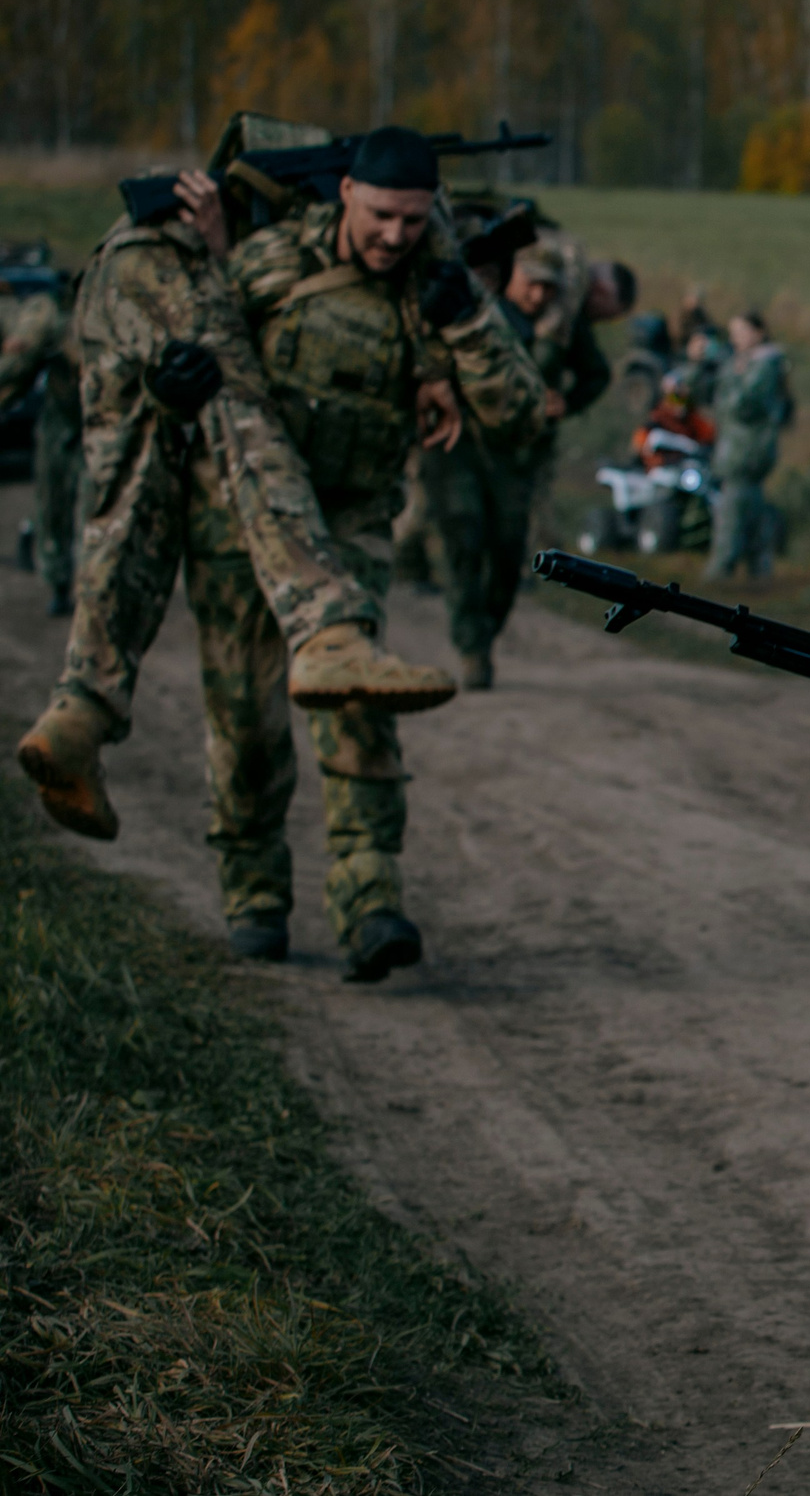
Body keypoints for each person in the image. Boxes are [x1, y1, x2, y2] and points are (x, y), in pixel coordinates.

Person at [15, 114, 460, 845]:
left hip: (115, 307)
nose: (392, 233)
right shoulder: (239, 220)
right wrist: (221, 248)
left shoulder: (219, 207)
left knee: (135, 502)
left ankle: (79, 713)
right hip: (160, 283)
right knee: (249, 425)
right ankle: (327, 627)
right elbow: (247, 315)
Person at [211, 125, 546, 977]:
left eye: (411, 219)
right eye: (381, 216)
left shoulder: (435, 283)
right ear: (347, 194)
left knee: (358, 707)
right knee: (247, 721)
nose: (394, 236)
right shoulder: (270, 266)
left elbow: (517, 413)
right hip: (244, 521)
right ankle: (254, 893)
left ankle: (369, 899)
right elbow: (199, 358)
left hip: (354, 519)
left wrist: (464, 322)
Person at [419, 235, 613, 687]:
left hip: (519, 454)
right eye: (531, 283)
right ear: (511, 275)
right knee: (464, 540)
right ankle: (471, 646)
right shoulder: (474, 310)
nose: (538, 295)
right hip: (460, 444)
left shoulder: (560, 328)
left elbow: (596, 374)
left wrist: (567, 400)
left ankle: (486, 629)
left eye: (549, 287)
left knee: (508, 551)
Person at [0, 252, 77, 615]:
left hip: (91, 419)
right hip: (60, 415)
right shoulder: (37, 309)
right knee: (52, 501)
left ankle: (83, 586)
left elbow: (17, 363)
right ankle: (59, 582)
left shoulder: (42, 310)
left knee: (91, 507)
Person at [702, 311, 789, 580]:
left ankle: (719, 574)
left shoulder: (763, 366)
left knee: (731, 514)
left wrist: (728, 374)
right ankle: (758, 571)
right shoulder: (749, 363)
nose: (734, 339)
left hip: (745, 452)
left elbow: (742, 404)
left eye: (741, 332)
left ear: (759, 332)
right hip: (744, 450)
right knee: (751, 511)